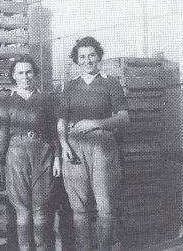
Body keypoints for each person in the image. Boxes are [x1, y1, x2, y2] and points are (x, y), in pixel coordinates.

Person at [57, 36, 129, 251]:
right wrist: (64, 145)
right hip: (75, 148)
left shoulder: (110, 83)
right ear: (76, 61)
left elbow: (124, 118)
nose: (87, 60)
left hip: (102, 146)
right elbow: (61, 120)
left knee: (105, 206)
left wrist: (95, 123)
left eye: (91, 55)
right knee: (79, 207)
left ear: (98, 57)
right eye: (82, 57)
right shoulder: (70, 87)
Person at [0, 56, 61, 251]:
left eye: (28, 72)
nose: (25, 76)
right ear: (13, 76)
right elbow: (2, 134)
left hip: (42, 152)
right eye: (20, 73)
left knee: (40, 208)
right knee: (22, 210)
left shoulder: (45, 99)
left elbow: (53, 130)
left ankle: (41, 248)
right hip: (16, 153)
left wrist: (57, 156)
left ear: (34, 74)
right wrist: (1, 161)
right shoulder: (7, 101)